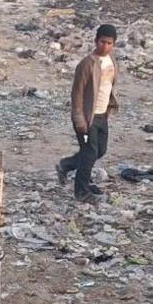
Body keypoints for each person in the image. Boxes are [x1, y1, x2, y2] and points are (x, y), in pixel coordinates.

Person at [56, 24, 119, 204]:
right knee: (89, 152)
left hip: (102, 116)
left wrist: (111, 108)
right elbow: (77, 94)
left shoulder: (112, 63)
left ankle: (66, 165)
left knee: (100, 150)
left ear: (114, 44)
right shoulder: (87, 64)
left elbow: (111, 88)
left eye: (109, 43)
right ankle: (81, 191)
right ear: (95, 41)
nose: (105, 46)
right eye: (102, 42)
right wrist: (79, 120)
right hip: (86, 119)